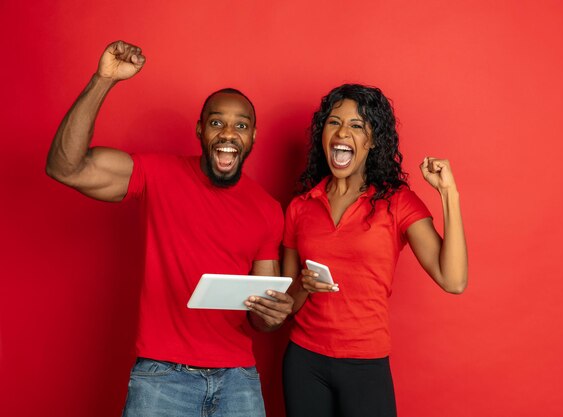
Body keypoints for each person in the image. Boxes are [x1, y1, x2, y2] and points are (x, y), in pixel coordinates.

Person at [46, 40, 294, 417]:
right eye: (216, 123)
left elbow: (260, 317)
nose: (228, 134)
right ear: (200, 130)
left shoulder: (267, 209)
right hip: (162, 377)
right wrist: (103, 79)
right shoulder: (157, 174)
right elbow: (65, 167)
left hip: (238, 380)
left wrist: (272, 315)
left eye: (240, 126)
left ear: (253, 137)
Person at [281, 84, 468, 417]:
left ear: (373, 140)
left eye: (356, 125)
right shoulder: (300, 207)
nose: (342, 132)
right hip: (304, 361)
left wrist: (449, 194)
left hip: (365, 363)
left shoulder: (396, 202)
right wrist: (304, 286)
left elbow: (453, 280)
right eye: (333, 122)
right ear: (322, 133)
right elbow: (288, 304)